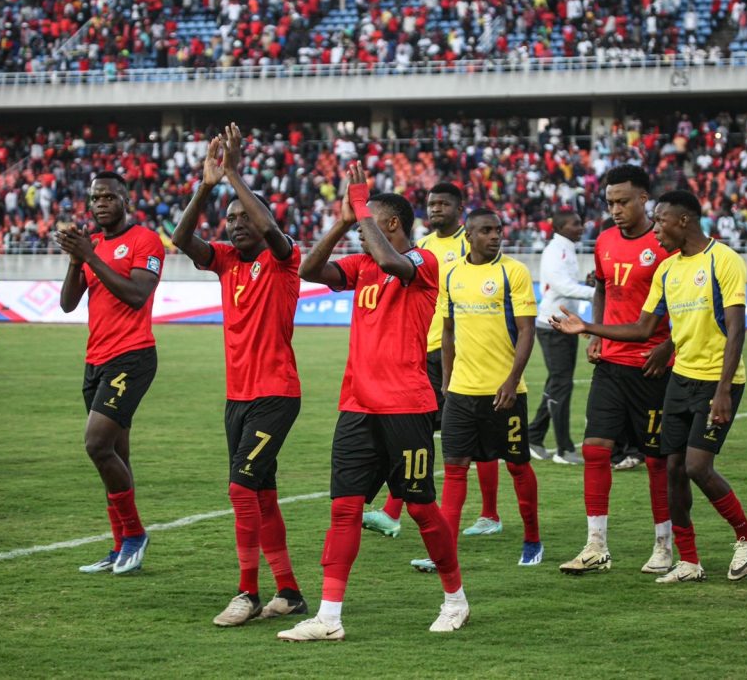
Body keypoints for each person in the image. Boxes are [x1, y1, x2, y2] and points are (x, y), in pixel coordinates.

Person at [279, 164, 468, 641]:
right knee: (344, 509)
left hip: (406, 407)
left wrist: (361, 205)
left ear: (391, 224)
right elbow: (308, 270)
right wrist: (343, 220)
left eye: (366, 223)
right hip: (357, 406)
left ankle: (455, 600)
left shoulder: (423, 262)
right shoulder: (360, 265)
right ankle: (329, 618)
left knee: (421, 508)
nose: (360, 233)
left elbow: (389, 260)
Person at [550, 190, 747, 584]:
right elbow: (643, 328)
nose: (657, 230)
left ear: (683, 220)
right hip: (679, 379)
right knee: (673, 470)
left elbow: (736, 329)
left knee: (697, 466)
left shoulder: (723, 260)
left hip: (717, 381)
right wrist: (589, 327)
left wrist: (723, 390)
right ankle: (689, 561)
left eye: (661, 221)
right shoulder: (667, 270)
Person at [173, 124, 307, 626]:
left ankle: (247, 593)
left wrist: (233, 175)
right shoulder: (225, 261)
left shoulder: (283, 259)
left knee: (240, 488)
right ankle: (289, 593)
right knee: (262, 494)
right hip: (238, 397)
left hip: (276, 394)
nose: (233, 225)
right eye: (228, 219)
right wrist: (207, 185)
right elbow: (181, 238)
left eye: (242, 217)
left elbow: (269, 227)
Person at [363, 182, 504, 539]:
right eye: (431, 204)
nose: (436, 209)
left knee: (477, 435)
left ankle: (489, 514)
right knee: (416, 430)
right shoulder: (422, 247)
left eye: (443, 204)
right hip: (423, 350)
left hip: (462, 350)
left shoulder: (470, 244)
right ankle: (392, 511)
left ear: (459, 209)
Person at [409, 209, 542, 574]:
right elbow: (447, 331)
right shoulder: (452, 274)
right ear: (468, 235)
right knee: (455, 471)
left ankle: (532, 539)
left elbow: (527, 330)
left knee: (517, 465)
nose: (495, 236)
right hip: (461, 393)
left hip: (504, 392)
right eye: (486, 230)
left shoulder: (513, 272)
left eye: (498, 230)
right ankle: (444, 553)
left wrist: (512, 380)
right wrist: (447, 381)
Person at [558, 165, 676, 577]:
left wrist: (669, 344)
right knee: (595, 450)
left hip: (652, 368)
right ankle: (596, 546)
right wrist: (596, 333)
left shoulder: (664, 244)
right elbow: (602, 287)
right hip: (611, 363)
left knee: (657, 461)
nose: (615, 210)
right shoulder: (605, 240)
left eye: (623, 202)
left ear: (644, 199)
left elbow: (686, 302)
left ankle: (664, 545)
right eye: (610, 203)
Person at [58, 171, 163, 576]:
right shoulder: (94, 246)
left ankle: (134, 535)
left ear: (125, 200)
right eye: (95, 198)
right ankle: (119, 546)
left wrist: (90, 257)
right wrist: (76, 261)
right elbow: (68, 304)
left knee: (97, 444)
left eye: (108, 196)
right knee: (115, 455)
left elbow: (137, 295)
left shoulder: (144, 240)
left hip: (132, 357)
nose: (100, 203)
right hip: (96, 360)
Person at [528, 211, 595, 465]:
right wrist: (596, 292)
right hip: (552, 325)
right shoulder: (556, 251)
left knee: (558, 383)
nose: (581, 227)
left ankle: (534, 436)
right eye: (575, 224)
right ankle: (564, 449)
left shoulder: (566, 249)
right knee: (561, 384)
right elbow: (563, 287)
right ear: (559, 226)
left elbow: (566, 288)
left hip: (562, 324)